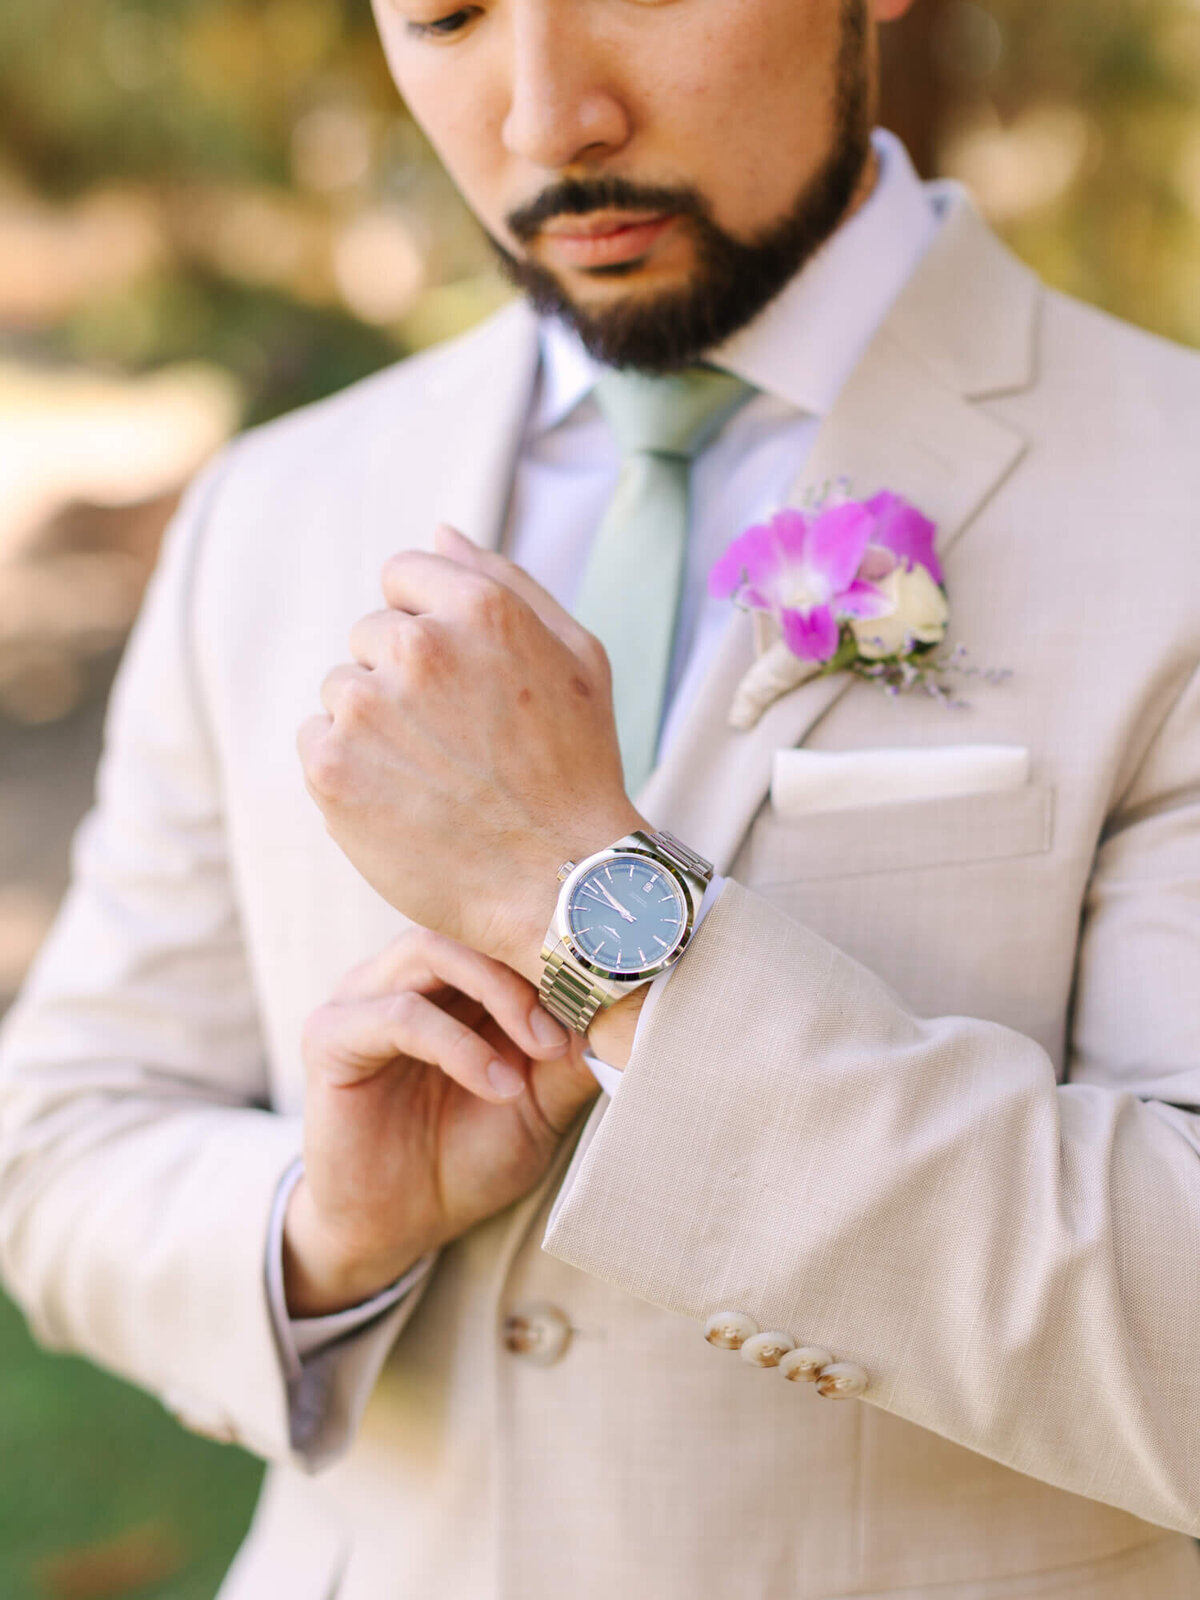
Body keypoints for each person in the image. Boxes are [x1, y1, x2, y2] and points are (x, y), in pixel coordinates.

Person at [2, 0, 1199, 1594]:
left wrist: (591, 895)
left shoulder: (1169, 497)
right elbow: (65, 1140)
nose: (547, 120)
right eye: (445, 13)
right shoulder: (269, 510)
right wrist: (321, 1227)